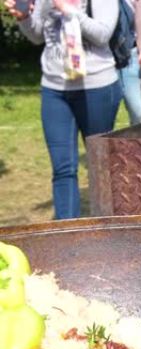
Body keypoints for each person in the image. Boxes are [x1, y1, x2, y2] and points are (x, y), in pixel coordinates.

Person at [4, 0, 121, 220]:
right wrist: (24, 19)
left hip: (97, 87)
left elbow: (103, 34)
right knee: (63, 169)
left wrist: (68, 9)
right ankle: (65, 233)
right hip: (54, 89)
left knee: (100, 165)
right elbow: (38, 35)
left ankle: (107, 227)